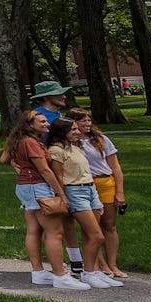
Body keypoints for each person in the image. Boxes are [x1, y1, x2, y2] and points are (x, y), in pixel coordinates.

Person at [0, 111, 90, 291]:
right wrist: (61, 194)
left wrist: (16, 165)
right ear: (30, 124)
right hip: (38, 187)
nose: (47, 124)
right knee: (55, 232)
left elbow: (4, 158)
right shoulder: (31, 142)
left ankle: (38, 272)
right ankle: (60, 276)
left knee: (33, 230)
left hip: (25, 187)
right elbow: (45, 171)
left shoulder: (18, 139)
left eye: (46, 121)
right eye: (42, 121)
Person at [43, 117, 119, 289]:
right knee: (97, 236)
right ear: (63, 132)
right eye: (74, 130)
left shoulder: (75, 147)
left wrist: (95, 196)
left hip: (90, 189)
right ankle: (89, 273)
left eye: (77, 129)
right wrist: (63, 196)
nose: (78, 132)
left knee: (90, 234)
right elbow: (58, 176)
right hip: (74, 191)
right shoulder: (56, 150)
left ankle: (95, 271)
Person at [69, 108, 129, 279]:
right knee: (92, 228)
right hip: (85, 185)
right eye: (82, 121)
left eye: (89, 121)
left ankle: (113, 264)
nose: (87, 124)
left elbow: (115, 167)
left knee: (109, 226)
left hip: (106, 183)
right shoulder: (71, 143)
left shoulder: (101, 140)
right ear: (73, 123)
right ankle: (101, 265)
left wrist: (120, 192)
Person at [28, 80, 76, 270]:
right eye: (59, 94)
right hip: (46, 177)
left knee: (62, 222)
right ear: (47, 97)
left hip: (62, 173)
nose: (64, 96)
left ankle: (71, 262)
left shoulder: (57, 115)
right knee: (49, 225)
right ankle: (51, 268)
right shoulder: (39, 118)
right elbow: (23, 144)